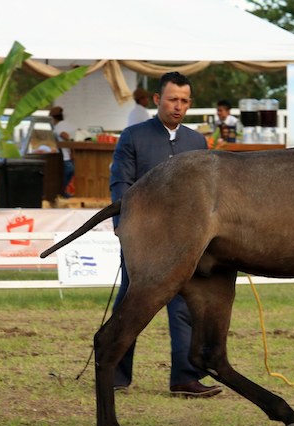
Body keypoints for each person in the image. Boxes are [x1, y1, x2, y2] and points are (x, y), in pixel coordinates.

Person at [109, 72, 221, 398]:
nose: (178, 106)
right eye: (173, 99)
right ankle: (113, 373)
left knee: (185, 305)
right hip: (144, 237)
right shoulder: (133, 136)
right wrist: (123, 223)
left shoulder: (197, 142)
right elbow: (121, 182)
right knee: (132, 304)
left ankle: (185, 378)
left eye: (184, 101)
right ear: (158, 99)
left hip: (186, 240)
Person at [49, 106, 77, 198]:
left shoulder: (58, 127)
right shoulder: (66, 124)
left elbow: (66, 136)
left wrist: (72, 151)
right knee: (64, 186)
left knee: (61, 186)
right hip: (69, 160)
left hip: (65, 159)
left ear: (53, 118)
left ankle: (63, 198)